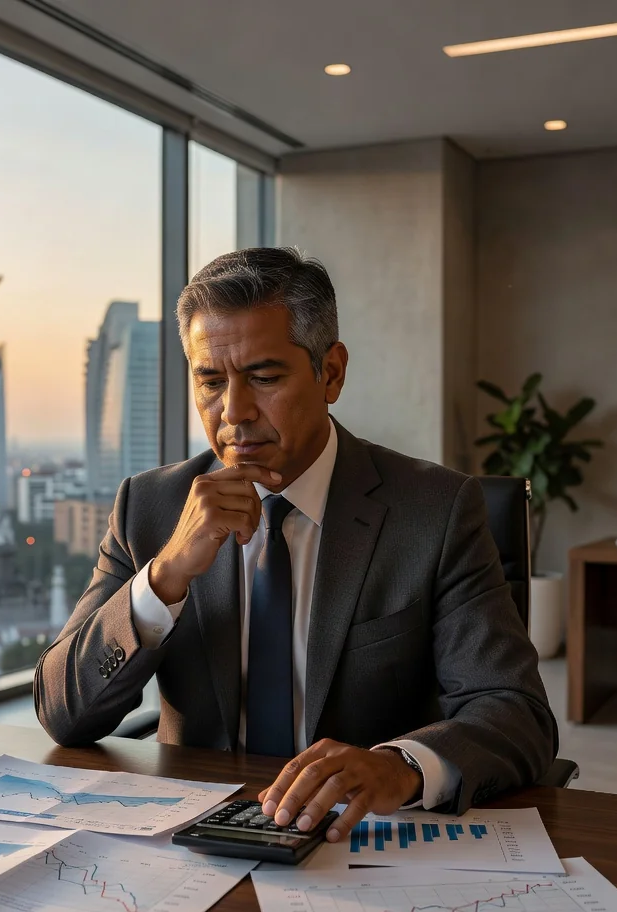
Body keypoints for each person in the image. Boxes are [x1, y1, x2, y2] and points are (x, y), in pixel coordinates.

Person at [35, 247, 557, 841]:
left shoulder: (435, 511)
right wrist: (164, 577)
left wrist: (400, 767)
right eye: (211, 382)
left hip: (357, 841)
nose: (234, 412)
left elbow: (516, 711)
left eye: (264, 378)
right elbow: (62, 712)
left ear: (330, 373)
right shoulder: (150, 507)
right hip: (196, 839)